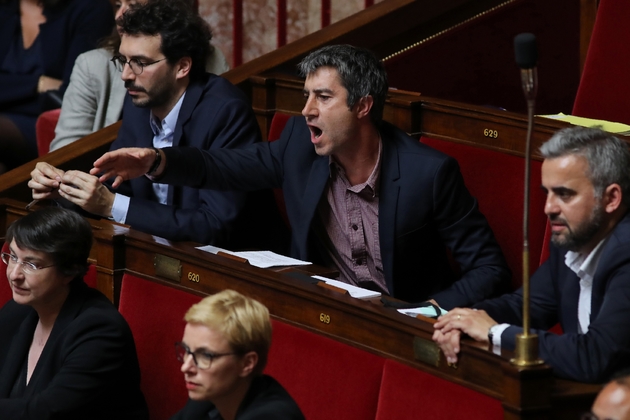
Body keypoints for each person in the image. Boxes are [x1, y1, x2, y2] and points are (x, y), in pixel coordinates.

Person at [88, 44, 510, 308]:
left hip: (406, 323)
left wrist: (429, 311)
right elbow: (225, 165)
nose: (306, 110)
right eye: (305, 96)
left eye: (323, 97)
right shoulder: (298, 145)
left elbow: (490, 269)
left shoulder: (428, 173)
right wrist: (157, 162)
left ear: (363, 107)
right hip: (324, 308)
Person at [28, 0, 279, 247]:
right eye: (124, 60)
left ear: (182, 66)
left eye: (140, 63)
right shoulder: (141, 100)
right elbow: (117, 184)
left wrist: (110, 205)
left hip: (231, 266)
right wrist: (65, 189)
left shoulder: (225, 111)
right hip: (154, 251)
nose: (126, 75)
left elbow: (214, 226)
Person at [432, 126, 630, 383]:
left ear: (611, 198)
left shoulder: (625, 252)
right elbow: (527, 306)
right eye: (546, 193)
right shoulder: (572, 238)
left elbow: (595, 357)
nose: (548, 208)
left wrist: (494, 332)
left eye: (564, 194)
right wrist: (462, 320)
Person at [0, 207, 148, 419]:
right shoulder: (18, 312)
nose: (14, 275)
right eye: (13, 257)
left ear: (69, 270)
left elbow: (47, 412)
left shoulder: (101, 331)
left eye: (32, 264)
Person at [49, 0, 230, 152]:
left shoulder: (215, 71)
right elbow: (65, 153)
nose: (119, 16)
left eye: (133, 5)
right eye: (118, 4)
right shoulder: (93, 65)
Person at [0, 0, 114, 172]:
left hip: (49, 120)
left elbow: (70, 92)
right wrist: (38, 84)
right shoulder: (5, 8)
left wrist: (10, 89)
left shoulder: (90, 8)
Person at [171, 289, 304, 420]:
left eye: (206, 356)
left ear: (247, 363)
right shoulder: (207, 399)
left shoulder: (272, 416)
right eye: (187, 350)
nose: (186, 368)